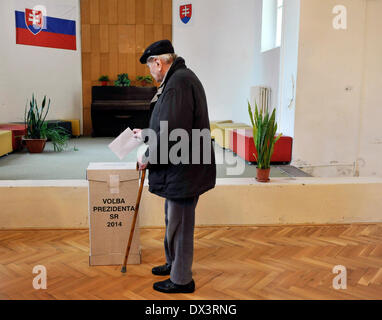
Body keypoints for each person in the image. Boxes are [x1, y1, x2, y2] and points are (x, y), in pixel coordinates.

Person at [133, 39, 216, 293]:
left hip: (184, 167)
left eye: (150, 67)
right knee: (173, 218)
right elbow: (170, 125)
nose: (151, 73)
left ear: (158, 62)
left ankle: (182, 280)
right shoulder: (178, 79)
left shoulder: (178, 83)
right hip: (182, 164)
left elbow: (172, 133)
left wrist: (147, 156)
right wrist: (146, 134)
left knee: (180, 224)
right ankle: (173, 263)